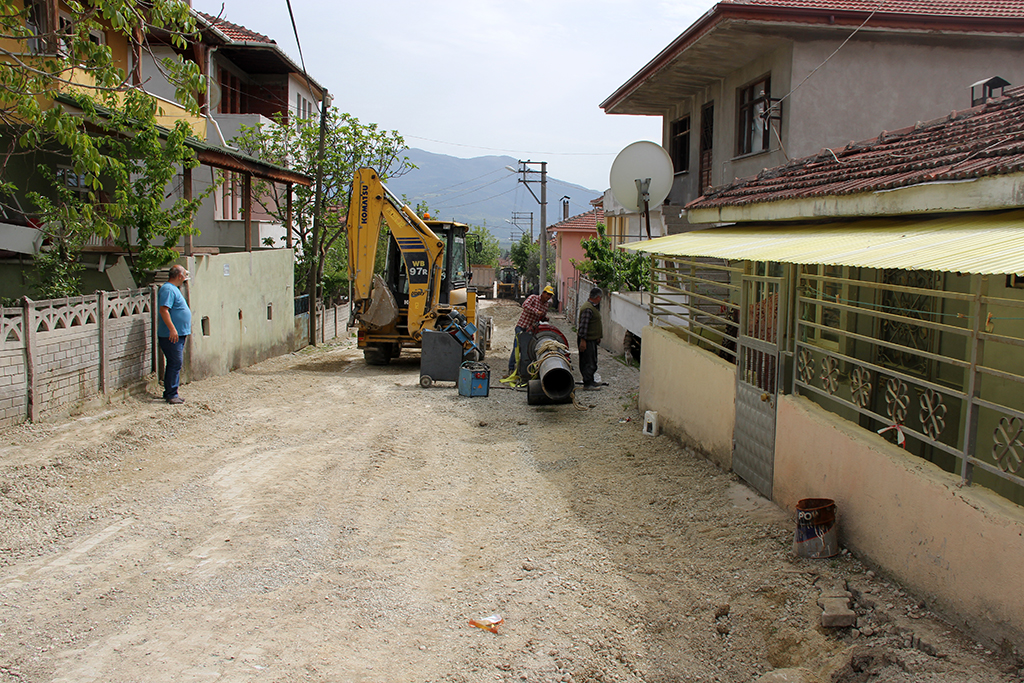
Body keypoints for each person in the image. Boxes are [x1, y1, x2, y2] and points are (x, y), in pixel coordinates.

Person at [158, 264, 192, 404]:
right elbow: (164, 310)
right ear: (179, 276)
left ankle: (171, 392)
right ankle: (171, 394)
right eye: (184, 274)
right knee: (175, 362)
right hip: (171, 335)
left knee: (175, 363)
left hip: (177, 334)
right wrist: (172, 329)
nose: (185, 277)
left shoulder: (173, 289)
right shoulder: (168, 289)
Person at [507, 284, 554, 377]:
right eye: (547, 294)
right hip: (521, 327)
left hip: (530, 330)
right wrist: (536, 311)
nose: (548, 297)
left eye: (550, 295)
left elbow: (541, 317)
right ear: (543, 293)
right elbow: (525, 305)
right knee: (517, 348)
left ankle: (524, 369)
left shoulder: (546, 305)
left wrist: (544, 318)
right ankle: (511, 368)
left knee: (527, 350)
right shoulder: (533, 298)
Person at [577, 287, 603, 391]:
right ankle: (587, 384)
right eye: (600, 297)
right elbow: (583, 326)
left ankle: (590, 380)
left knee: (592, 360)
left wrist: (597, 337)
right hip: (587, 340)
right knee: (588, 362)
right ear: (597, 297)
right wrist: (583, 341)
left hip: (591, 339)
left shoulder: (592, 307)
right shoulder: (588, 309)